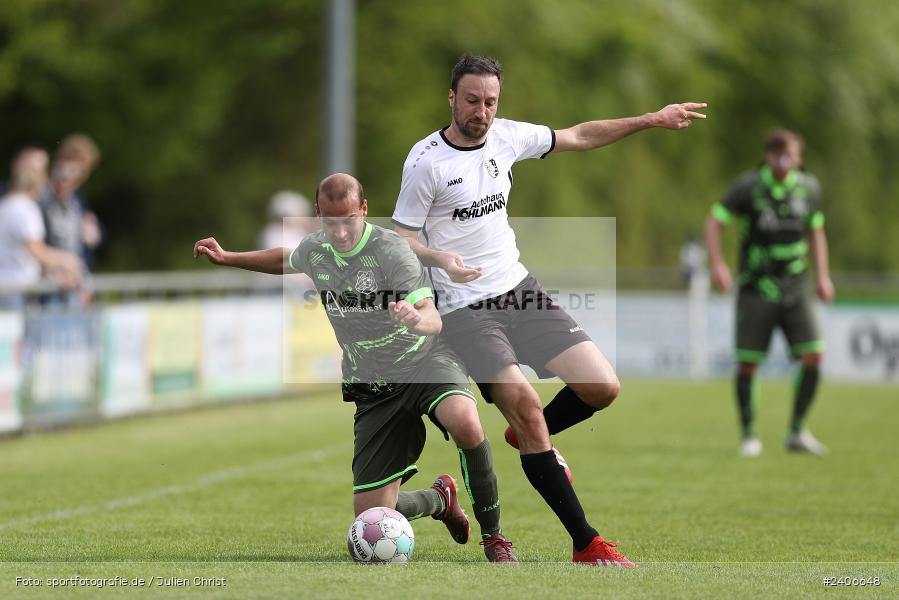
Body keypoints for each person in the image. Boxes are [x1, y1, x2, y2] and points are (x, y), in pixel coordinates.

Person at [392, 54, 707, 567]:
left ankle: (526, 435)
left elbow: (579, 135)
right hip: (466, 308)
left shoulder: (509, 137)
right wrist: (438, 257)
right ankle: (586, 542)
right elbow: (403, 234)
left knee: (602, 386)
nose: (482, 111)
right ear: (451, 98)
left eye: (491, 101)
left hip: (519, 290)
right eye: (472, 100)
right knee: (531, 405)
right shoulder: (426, 161)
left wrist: (650, 119)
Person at [194, 172, 518, 562]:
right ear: (318, 215)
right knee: (372, 518)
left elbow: (432, 316)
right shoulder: (316, 248)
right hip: (372, 385)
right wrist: (228, 258)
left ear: (363, 210)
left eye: (349, 220)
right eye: (331, 223)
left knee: (465, 421)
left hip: (423, 362)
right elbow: (285, 258)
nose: (341, 232)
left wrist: (416, 320)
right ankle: (440, 499)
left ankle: (495, 538)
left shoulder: (391, 250)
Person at [704, 128, 833, 458]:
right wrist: (717, 264)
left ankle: (797, 430)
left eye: (789, 152)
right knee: (748, 363)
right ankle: (749, 433)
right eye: (777, 152)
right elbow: (715, 222)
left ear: (798, 156)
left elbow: (816, 232)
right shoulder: (748, 187)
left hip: (797, 288)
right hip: (756, 288)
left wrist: (823, 276)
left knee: (814, 355)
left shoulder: (809, 188)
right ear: (768, 155)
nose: (783, 158)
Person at [0, 147, 83, 309]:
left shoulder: (7, 204)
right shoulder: (25, 208)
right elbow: (36, 250)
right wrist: (68, 261)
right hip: (16, 290)